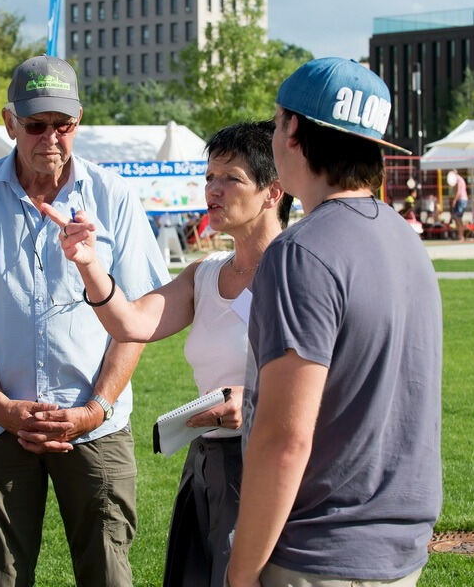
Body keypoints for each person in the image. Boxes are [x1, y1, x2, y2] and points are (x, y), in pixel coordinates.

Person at [0, 54, 168, 587]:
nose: (51, 138)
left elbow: (138, 318)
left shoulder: (112, 195)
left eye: (64, 124)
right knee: (1, 576)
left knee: (108, 573)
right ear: (10, 122)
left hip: (96, 424)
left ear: (79, 121)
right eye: (36, 125)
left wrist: (96, 409)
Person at [43, 121, 292, 587]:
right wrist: (88, 263)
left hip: (269, 467)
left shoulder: (300, 270)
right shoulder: (205, 273)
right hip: (208, 464)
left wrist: (254, 400)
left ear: (273, 192)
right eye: (209, 177)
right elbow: (131, 323)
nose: (212, 191)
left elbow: (336, 375)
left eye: (231, 178)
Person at [226, 58, 442, 587]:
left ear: (294, 130)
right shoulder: (402, 238)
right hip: (398, 548)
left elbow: (284, 439)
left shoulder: (300, 251)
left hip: (316, 553)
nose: (273, 136)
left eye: (276, 123)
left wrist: (241, 572)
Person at [447, 169, 468, 240]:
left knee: (457, 218)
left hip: (461, 200)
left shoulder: (458, 180)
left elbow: (458, 191)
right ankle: (460, 235)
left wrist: (454, 200)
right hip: (462, 200)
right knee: (458, 218)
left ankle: (460, 235)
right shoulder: (458, 180)